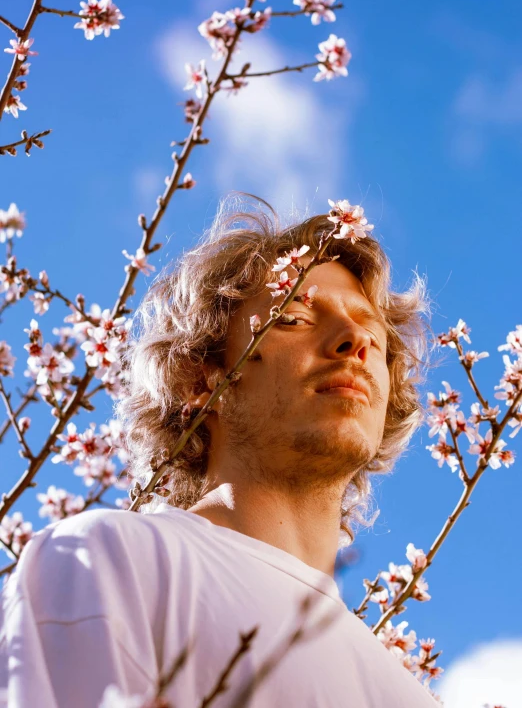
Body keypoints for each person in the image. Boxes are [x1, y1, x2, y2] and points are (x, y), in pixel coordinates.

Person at [0, 194, 439, 707]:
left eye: (372, 333)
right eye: (294, 317)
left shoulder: (411, 696)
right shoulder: (115, 561)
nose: (353, 340)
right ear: (202, 379)